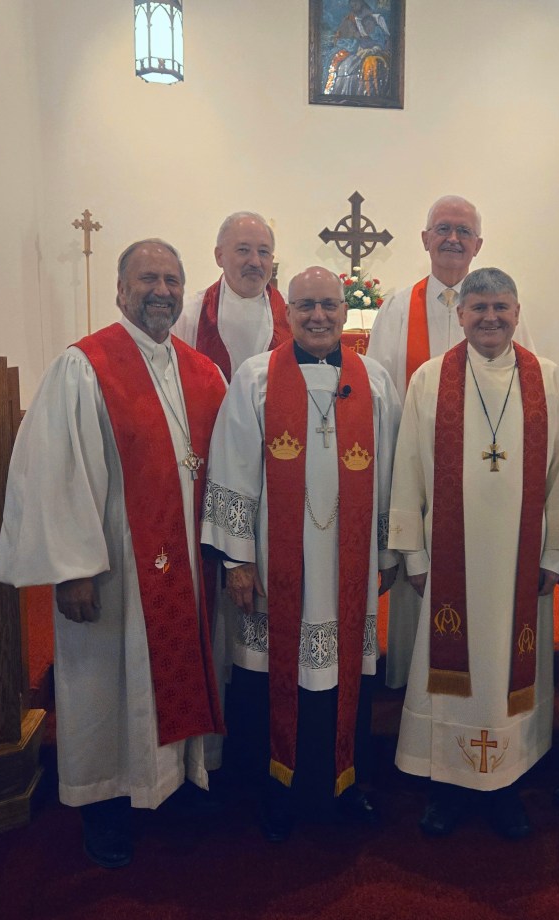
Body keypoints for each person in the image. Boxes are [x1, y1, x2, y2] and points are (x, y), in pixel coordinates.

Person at [0, 239, 228, 868]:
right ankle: (104, 805)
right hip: (113, 570)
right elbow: (57, 473)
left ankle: (176, 783)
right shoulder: (85, 366)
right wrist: (72, 570)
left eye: (172, 280)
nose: (161, 291)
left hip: (188, 569)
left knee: (181, 668)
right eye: (147, 279)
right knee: (104, 683)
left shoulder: (203, 372)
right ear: (121, 290)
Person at [201, 265, 401, 841]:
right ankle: (276, 791)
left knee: (346, 676)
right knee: (271, 677)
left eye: (328, 305)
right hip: (274, 564)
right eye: (306, 305)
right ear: (287, 312)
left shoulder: (373, 380)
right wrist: (238, 560)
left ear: (344, 311)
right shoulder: (256, 378)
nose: (318, 316)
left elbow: (389, 472)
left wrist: (385, 550)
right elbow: (233, 467)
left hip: (346, 565)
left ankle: (345, 784)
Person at [389, 267, 559, 839]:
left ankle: (507, 787)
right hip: (451, 564)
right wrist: (414, 556)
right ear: (461, 315)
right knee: (451, 677)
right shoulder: (429, 379)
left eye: (501, 307)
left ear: (517, 313)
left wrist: (555, 553)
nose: (490, 317)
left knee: (507, 676)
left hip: (521, 563)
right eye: (479, 308)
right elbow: (408, 469)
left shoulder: (549, 379)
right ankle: (446, 787)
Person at [367, 195, 536, 690]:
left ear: (478, 243)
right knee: (419, 601)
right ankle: (415, 691)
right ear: (425, 239)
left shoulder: (499, 307)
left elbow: (528, 397)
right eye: (443, 228)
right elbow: (381, 399)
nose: (453, 238)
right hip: (419, 481)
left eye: (464, 230)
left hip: (489, 480)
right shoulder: (397, 308)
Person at [173, 211, 291, 381]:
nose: (255, 262)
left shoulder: (292, 313)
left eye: (263, 252)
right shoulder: (188, 315)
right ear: (219, 256)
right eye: (243, 250)